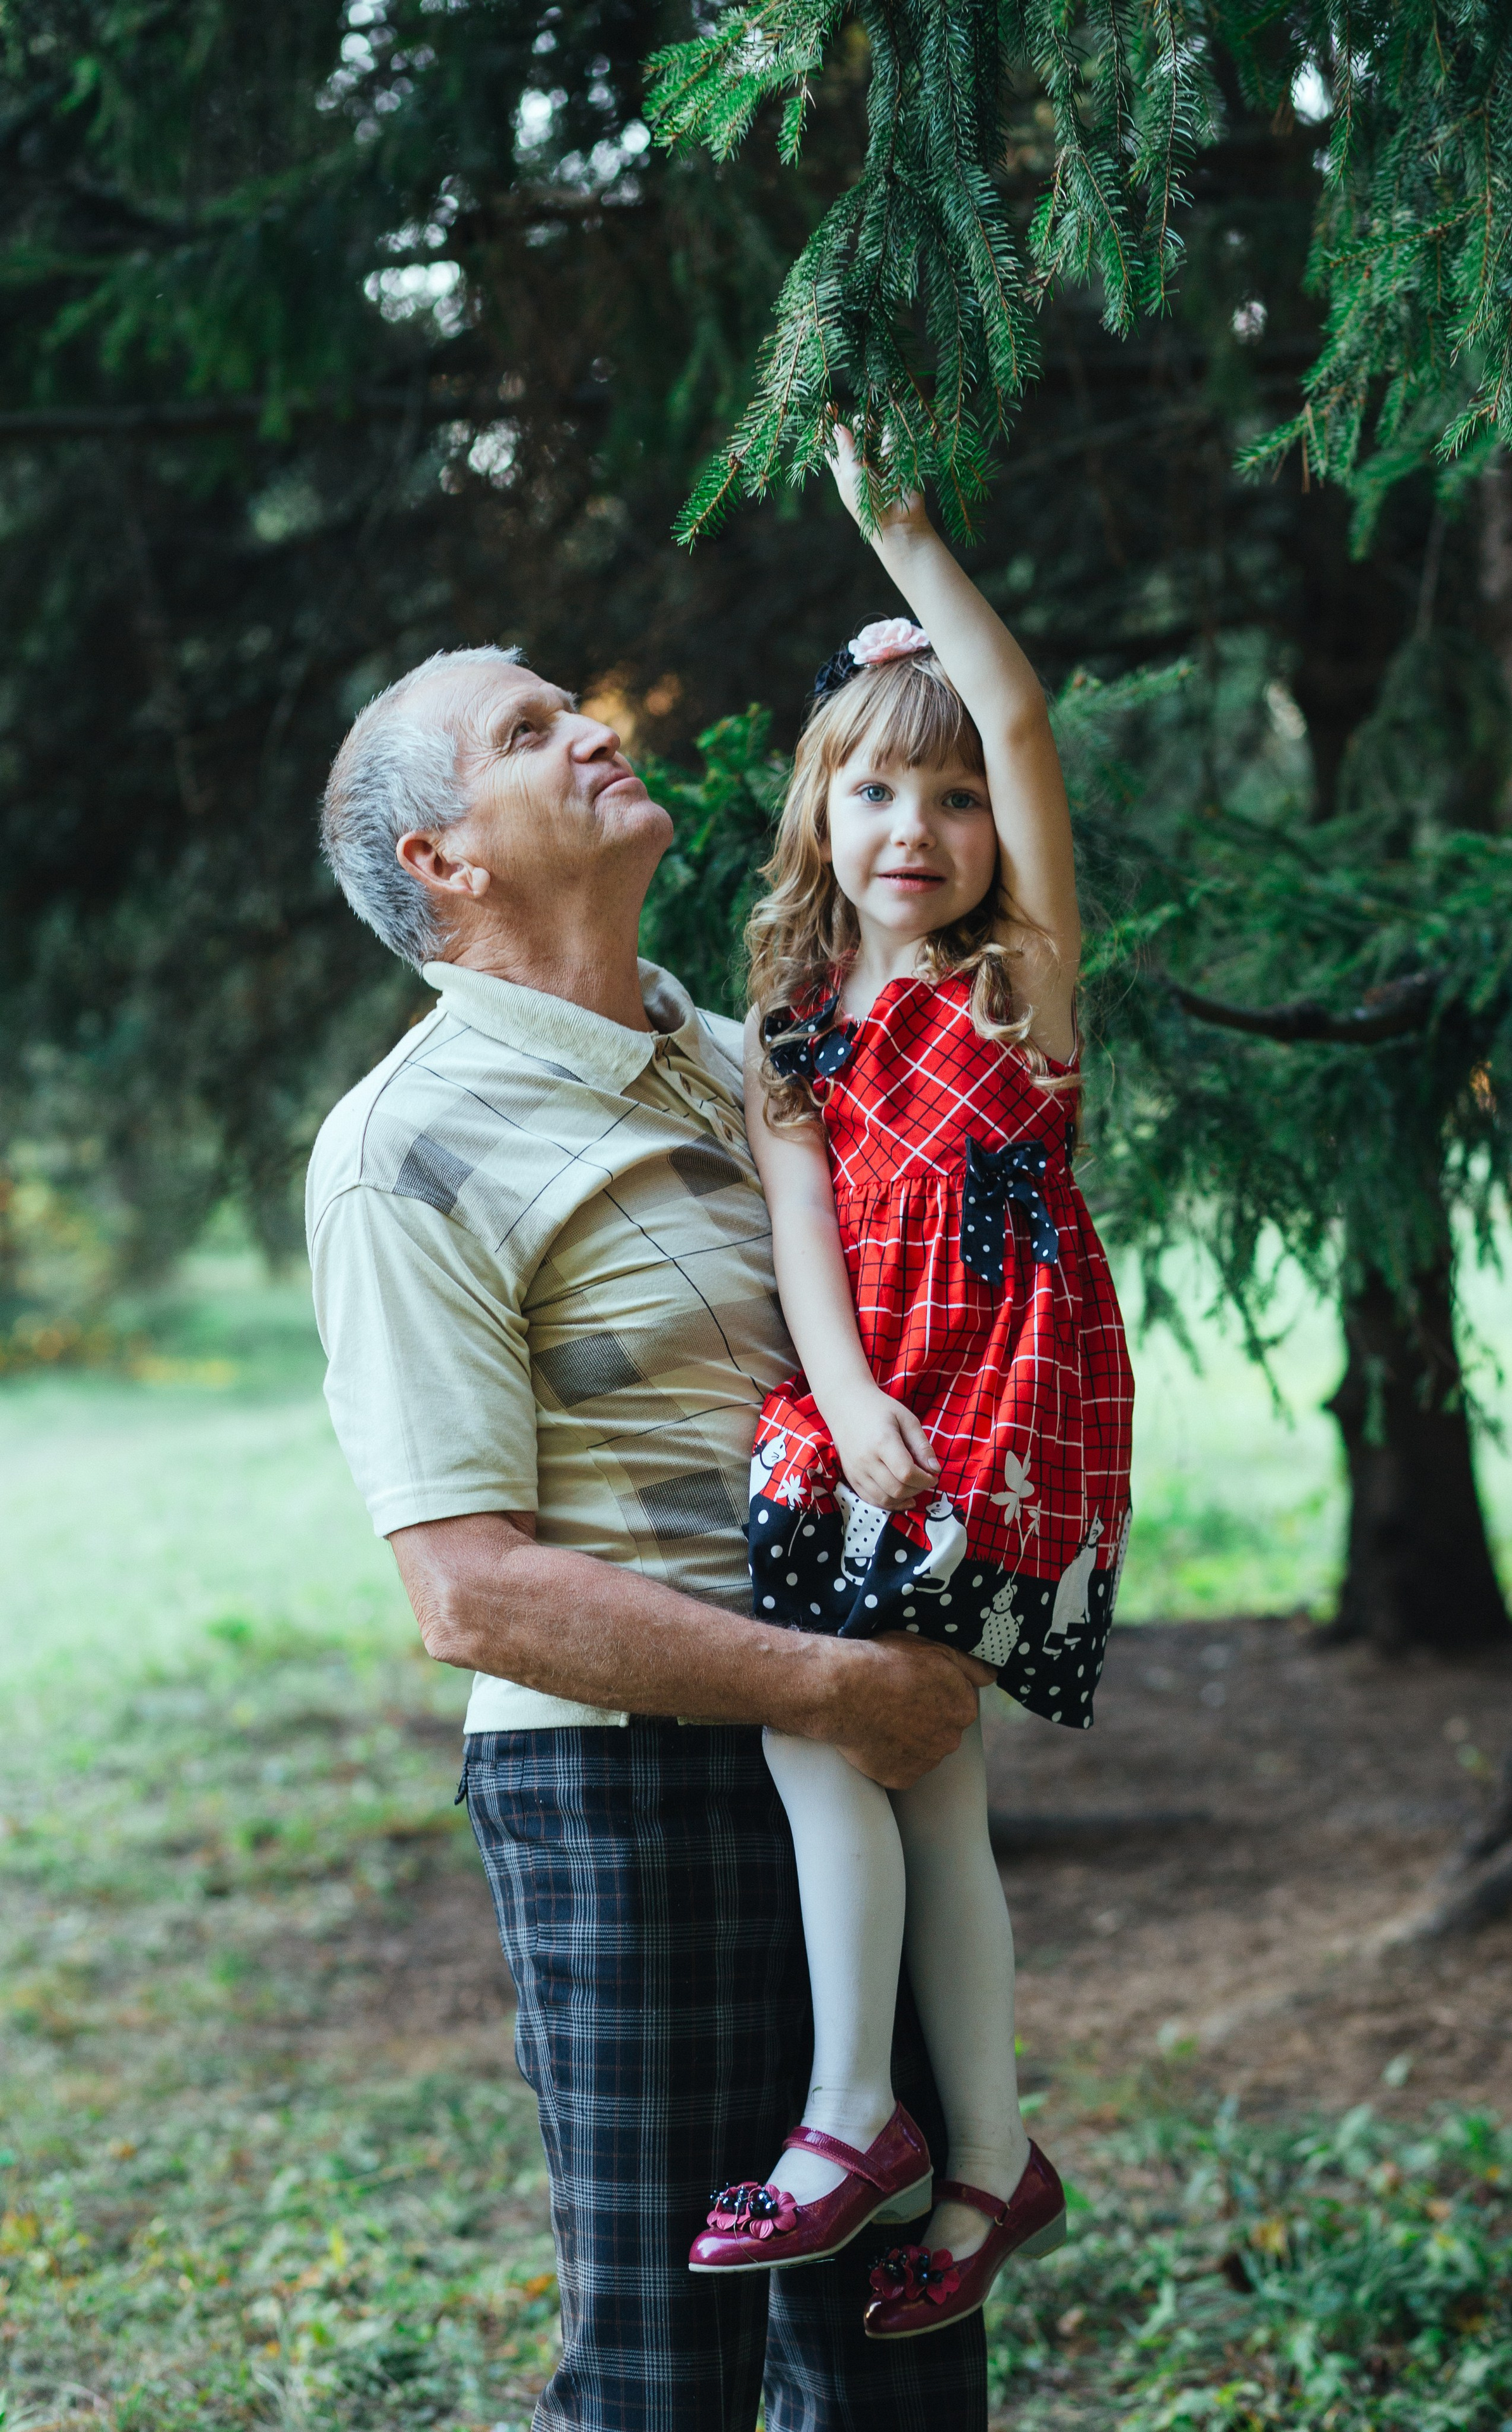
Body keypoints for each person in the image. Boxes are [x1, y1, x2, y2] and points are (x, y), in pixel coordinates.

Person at [305, 641, 992, 2428]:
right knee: (663, 2372)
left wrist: (903, 659)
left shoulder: (757, 1060)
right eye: (527, 732)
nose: (592, 729)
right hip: (624, 1795)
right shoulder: (403, 1151)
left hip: (854, 1769)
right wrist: (828, 1686)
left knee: (902, 2356)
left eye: (571, 705)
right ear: (444, 860)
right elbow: (466, 1591)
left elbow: (954, 891)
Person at [686, 431, 1133, 2339]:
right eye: (876, 787)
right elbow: (804, 1228)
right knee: (926, 1783)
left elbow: (1018, 719)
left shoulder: (1022, 975)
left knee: (826, 1729)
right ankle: (990, 2157)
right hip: (869, 1409)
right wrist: (849, 1396)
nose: (917, 829)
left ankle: (854, 2111)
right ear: (819, 808)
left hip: (1003, 1409)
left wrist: (907, 538)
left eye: (953, 800)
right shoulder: (796, 1025)